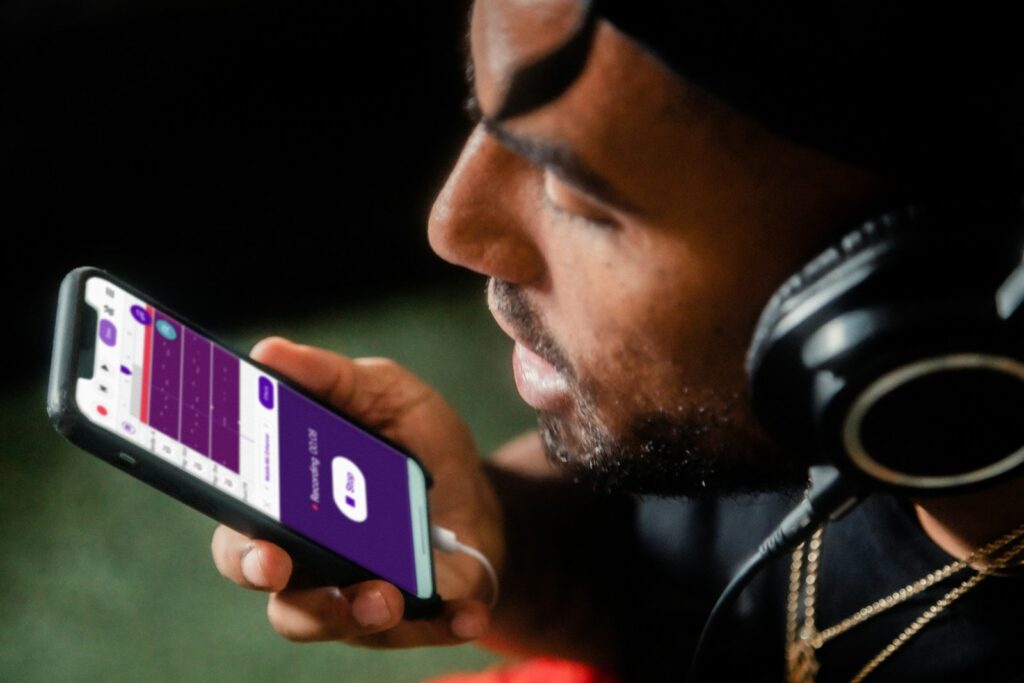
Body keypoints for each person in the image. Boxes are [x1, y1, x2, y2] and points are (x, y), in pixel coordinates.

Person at [210, 1, 1024, 680]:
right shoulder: (779, 405)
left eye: (575, 190)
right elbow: (668, 565)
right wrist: (496, 533)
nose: (453, 226)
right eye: (482, 113)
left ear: (919, 290)